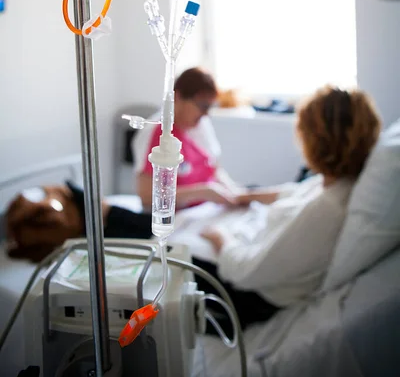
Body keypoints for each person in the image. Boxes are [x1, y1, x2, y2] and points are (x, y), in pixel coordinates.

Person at [5, 85, 381, 331]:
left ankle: (79, 209)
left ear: (316, 140)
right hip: (246, 231)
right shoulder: (336, 182)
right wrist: (249, 197)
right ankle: (78, 203)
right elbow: (291, 193)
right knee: (154, 217)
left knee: (146, 231)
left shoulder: (325, 212)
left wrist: (220, 239)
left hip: (241, 292)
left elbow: (247, 271)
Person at [134, 67, 242, 210]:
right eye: (203, 105)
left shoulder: (201, 126)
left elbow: (214, 169)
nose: (205, 114)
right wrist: (204, 192)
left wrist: (234, 193)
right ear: (177, 97)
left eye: (210, 106)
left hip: (205, 209)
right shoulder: (156, 133)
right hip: (176, 215)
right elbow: (147, 196)